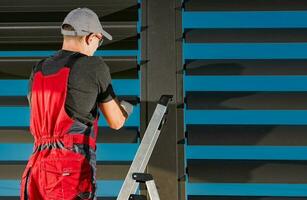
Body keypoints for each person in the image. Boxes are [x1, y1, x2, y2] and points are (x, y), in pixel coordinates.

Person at [20, 7, 133, 200]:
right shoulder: (94, 66)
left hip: (35, 169)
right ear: (90, 37)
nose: (98, 46)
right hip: (67, 169)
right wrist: (127, 107)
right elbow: (116, 121)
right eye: (100, 40)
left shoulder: (38, 69)